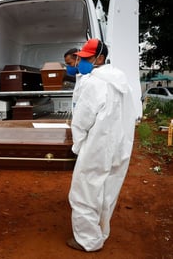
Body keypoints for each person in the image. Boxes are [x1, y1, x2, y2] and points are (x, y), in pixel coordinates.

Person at [67, 39, 137, 252]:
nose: (81, 61)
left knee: (85, 191)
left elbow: (82, 120)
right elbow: (132, 114)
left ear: (99, 58)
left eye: (87, 58)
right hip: (120, 145)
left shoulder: (93, 82)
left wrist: (78, 146)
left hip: (97, 146)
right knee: (108, 191)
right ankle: (101, 232)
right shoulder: (121, 80)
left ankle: (87, 239)